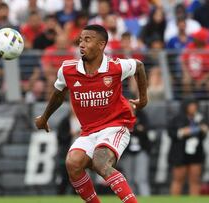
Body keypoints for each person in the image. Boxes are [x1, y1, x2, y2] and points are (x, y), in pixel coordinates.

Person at [35, 24, 148, 203]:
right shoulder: (67, 70)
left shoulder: (116, 67)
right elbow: (58, 93)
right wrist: (44, 117)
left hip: (116, 125)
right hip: (89, 131)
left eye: (87, 39)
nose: (81, 44)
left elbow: (139, 67)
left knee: (100, 162)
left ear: (101, 44)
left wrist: (143, 99)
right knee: (73, 163)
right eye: (80, 40)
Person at [168, 99, 208, 195]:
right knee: (178, 179)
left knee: (195, 179)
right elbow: (172, 133)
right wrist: (187, 131)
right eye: (191, 105)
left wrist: (199, 129)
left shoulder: (200, 118)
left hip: (196, 152)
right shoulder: (177, 119)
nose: (193, 108)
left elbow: (204, 132)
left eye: (195, 105)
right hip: (180, 153)